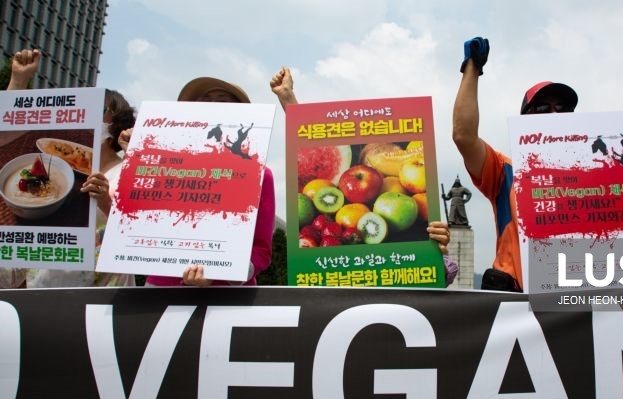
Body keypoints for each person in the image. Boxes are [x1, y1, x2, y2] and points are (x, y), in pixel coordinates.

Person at [270, 67, 459, 286]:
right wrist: (288, 99)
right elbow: (308, 137)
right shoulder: (339, 201)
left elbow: (441, 276)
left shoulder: (406, 192)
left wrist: (434, 253)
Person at [452, 37, 578, 292]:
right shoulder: (505, 170)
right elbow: (464, 136)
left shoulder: (603, 174)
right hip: (520, 306)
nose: (554, 115)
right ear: (525, 120)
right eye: (543, 108)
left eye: (563, 109)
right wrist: (472, 68)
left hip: (584, 301)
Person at [1, 49, 135, 287]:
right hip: (40, 289)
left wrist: (104, 199)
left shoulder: (127, 173)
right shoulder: (58, 167)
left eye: (100, 110)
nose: (90, 115)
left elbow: (136, 232)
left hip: (102, 295)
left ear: (116, 123)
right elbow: (10, 123)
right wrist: (19, 81)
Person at [142, 76, 275, 286]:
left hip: (228, 300)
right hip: (162, 289)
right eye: (204, 101)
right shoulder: (161, 165)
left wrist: (222, 274)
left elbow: (261, 251)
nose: (212, 106)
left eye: (222, 101)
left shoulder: (260, 175)